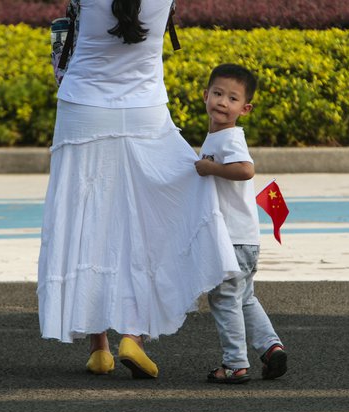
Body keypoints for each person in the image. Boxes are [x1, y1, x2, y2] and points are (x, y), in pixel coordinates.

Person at [37, 0, 239, 379]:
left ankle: (99, 349)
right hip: (146, 108)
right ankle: (134, 336)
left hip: (82, 109)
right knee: (150, 221)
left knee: (88, 223)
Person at [194, 64, 287, 384]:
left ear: (245, 109)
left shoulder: (229, 139)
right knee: (244, 296)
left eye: (232, 98)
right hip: (246, 239)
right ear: (205, 95)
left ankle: (235, 364)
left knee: (223, 299)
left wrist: (210, 169)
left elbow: (246, 170)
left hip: (231, 240)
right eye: (217, 94)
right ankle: (271, 347)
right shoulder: (218, 137)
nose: (222, 102)